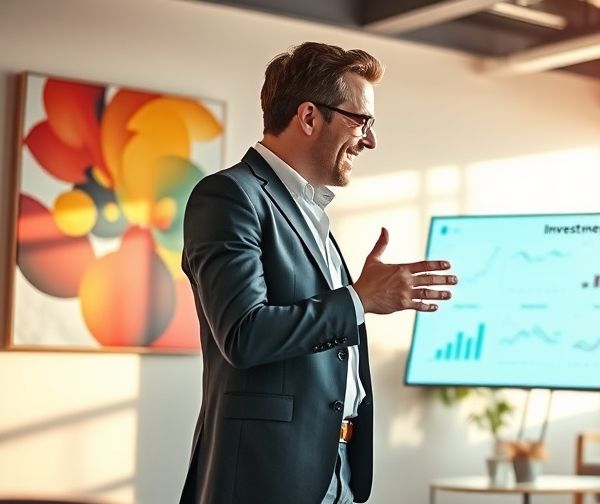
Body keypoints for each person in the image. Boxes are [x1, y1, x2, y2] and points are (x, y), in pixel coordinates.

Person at [179, 42, 457, 504]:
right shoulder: (229, 196)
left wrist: (357, 298)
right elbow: (244, 333)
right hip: (264, 477)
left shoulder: (312, 212)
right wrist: (358, 300)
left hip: (336, 470)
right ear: (309, 117)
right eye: (361, 121)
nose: (370, 140)